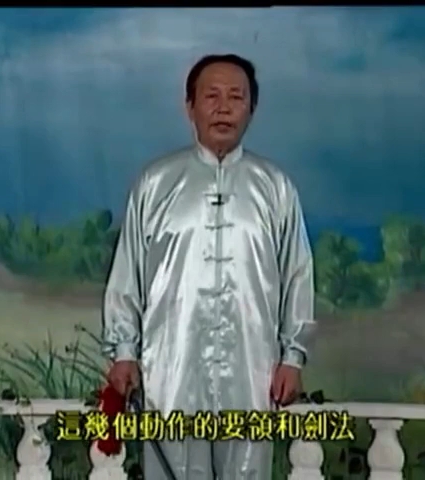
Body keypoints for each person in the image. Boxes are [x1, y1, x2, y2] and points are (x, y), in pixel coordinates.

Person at [101, 53, 316, 480]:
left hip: (253, 370)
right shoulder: (155, 183)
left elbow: (297, 274)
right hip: (171, 368)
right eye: (211, 96)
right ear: (190, 106)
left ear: (252, 108)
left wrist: (292, 356)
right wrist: (124, 352)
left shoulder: (275, 188)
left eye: (236, 96)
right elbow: (127, 274)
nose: (223, 108)